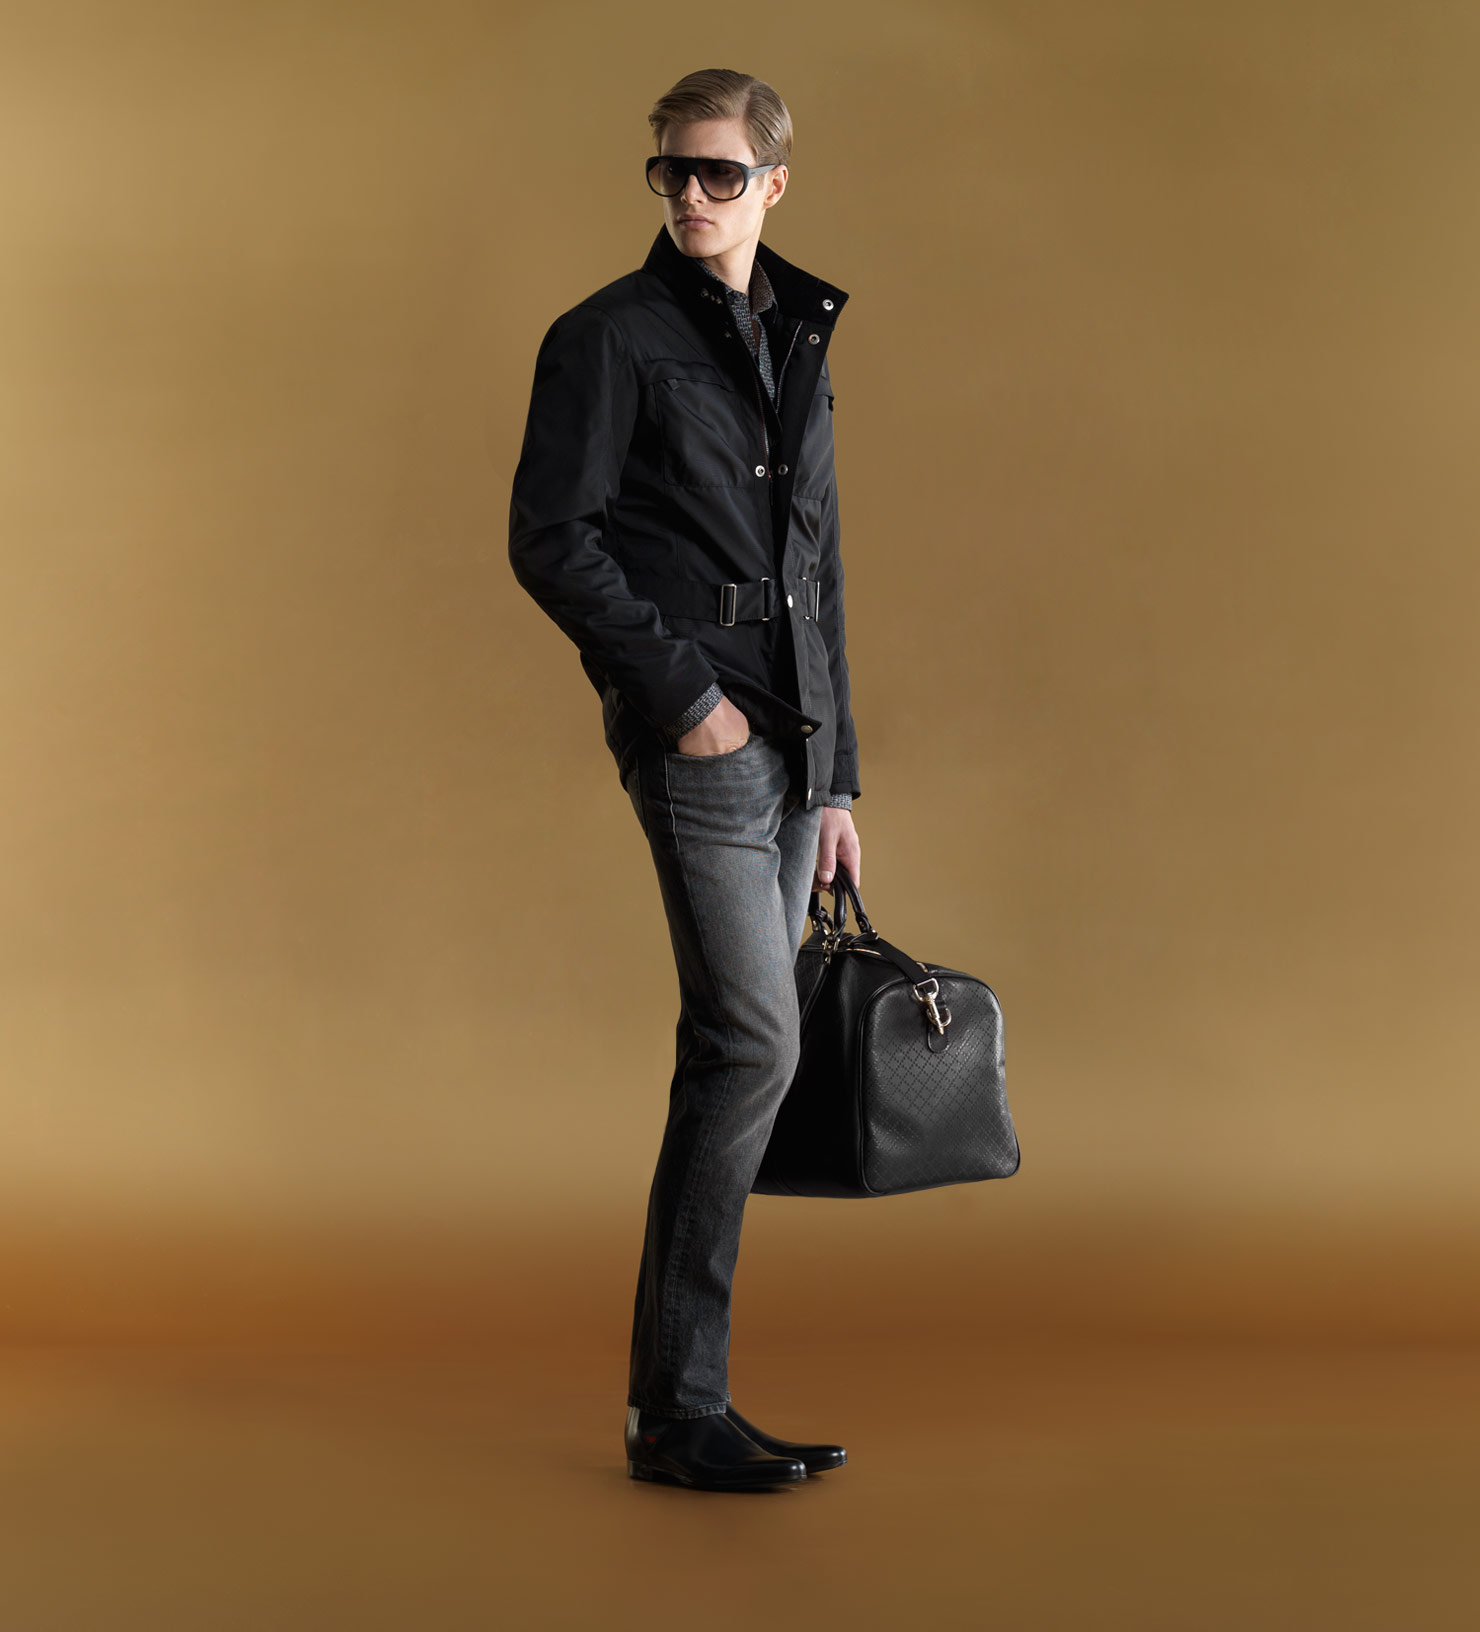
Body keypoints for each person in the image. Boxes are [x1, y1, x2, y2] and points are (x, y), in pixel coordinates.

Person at [508, 68, 861, 1491]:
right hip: (703, 734)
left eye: (720, 173)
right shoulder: (608, 336)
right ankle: (677, 1412)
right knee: (750, 1046)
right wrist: (686, 704)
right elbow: (552, 538)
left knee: (739, 1054)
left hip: (793, 742)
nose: (693, 196)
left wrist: (840, 780)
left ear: (774, 183)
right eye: (672, 171)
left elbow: (816, 558)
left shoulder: (795, 332)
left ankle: (683, 1402)